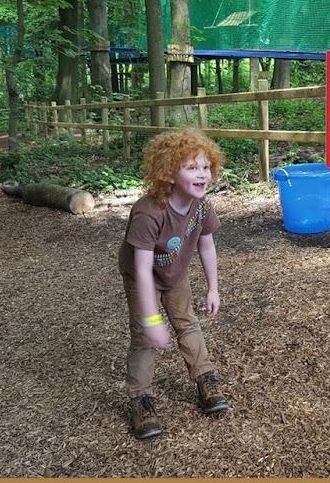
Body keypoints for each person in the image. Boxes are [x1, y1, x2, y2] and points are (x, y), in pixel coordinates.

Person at [116, 128, 229, 440]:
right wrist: (152, 321)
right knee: (144, 339)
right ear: (168, 173)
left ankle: (206, 380)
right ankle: (140, 400)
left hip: (174, 274)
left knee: (188, 324)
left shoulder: (202, 206)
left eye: (205, 166)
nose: (202, 174)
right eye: (191, 167)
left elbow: (206, 246)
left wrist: (213, 288)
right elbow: (141, 272)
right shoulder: (148, 212)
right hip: (144, 277)